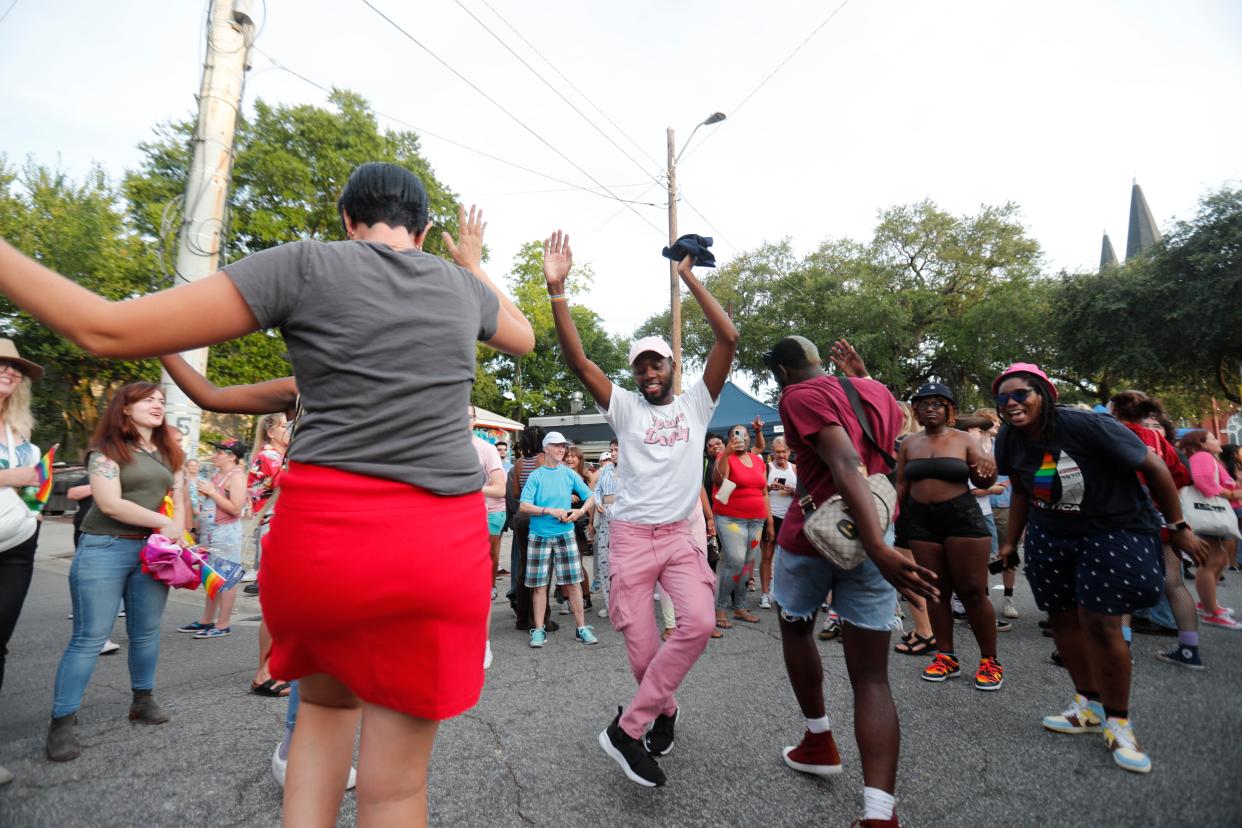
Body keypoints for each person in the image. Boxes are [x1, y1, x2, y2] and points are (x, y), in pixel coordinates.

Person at [0, 162, 534, 825]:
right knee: (394, 790)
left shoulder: (305, 264)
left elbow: (102, 329)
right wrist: (474, 263)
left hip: (321, 542)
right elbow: (525, 333)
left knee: (321, 709)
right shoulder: (460, 287)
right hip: (434, 545)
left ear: (347, 221)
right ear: (424, 231)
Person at [543, 230, 737, 787]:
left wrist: (689, 277)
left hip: (679, 535)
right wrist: (559, 291)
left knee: (697, 624)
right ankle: (664, 712)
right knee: (642, 655)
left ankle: (627, 729)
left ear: (674, 366)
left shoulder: (700, 402)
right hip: (630, 537)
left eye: (658, 365)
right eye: (641, 367)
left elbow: (728, 338)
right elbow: (578, 360)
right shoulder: (625, 408)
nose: (649, 373)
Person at [993, 363, 1204, 774]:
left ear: (1045, 395)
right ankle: (1087, 706)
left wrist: (1177, 526)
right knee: (1063, 621)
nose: (1011, 404)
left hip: (1113, 528)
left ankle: (1119, 722)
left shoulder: (1087, 425)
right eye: (1003, 398)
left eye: (1021, 394)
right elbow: (1020, 487)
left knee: (1101, 622)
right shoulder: (1009, 439)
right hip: (1051, 534)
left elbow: (1156, 468)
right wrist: (1008, 542)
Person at [763, 335, 937, 828]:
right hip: (879, 524)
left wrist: (878, 548)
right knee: (872, 678)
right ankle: (881, 812)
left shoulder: (798, 395)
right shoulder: (875, 390)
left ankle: (818, 739)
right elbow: (890, 436)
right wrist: (881, 539)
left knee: (795, 628)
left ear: (781, 371)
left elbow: (842, 463)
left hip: (816, 537)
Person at [45, 382, 189, 762]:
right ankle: (62, 721)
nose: (158, 405)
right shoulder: (106, 451)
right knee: (90, 637)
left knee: (145, 633)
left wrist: (181, 536)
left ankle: (143, 700)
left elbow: (178, 500)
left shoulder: (170, 452)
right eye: (147, 400)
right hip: (104, 548)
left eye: (161, 400)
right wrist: (164, 522)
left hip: (152, 553)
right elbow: (109, 504)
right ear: (125, 408)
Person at [895, 383, 1002, 690]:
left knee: (971, 590)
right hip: (921, 521)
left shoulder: (965, 440)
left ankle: (989, 660)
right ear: (917, 410)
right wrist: (890, 519)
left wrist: (988, 469)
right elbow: (901, 486)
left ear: (949, 410)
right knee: (935, 591)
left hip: (961, 517)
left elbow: (984, 477)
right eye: (924, 403)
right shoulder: (908, 444)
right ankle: (946, 656)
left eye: (937, 403)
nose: (930, 408)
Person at [1109, 391, 1209, 666]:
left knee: (1121, 586)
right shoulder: (1157, 439)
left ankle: (1123, 650)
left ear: (1115, 411)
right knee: (1174, 584)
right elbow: (1181, 476)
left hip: (1127, 522)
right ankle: (1189, 651)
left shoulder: (1109, 435)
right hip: (1167, 521)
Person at [0, 340, 44, 785]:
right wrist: (7, 477)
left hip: (15, 543)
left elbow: (29, 483)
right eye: (1, 364)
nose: (9, 371)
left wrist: (33, 502)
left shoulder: (19, 429)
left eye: (14, 367)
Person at [518, 431, 597, 647]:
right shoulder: (536, 475)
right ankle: (539, 630)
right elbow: (523, 505)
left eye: (563, 446)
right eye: (556, 446)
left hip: (565, 534)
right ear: (545, 449)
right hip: (539, 536)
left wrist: (579, 512)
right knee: (540, 586)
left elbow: (591, 496)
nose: (562, 449)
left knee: (573, 583)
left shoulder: (568, 473)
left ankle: (581, 628)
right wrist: (548, 511)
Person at [176, 438, 247, 639]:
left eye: (220, 452)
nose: (215, 455)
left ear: (232, 456)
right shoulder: (218, 474)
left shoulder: (237, 476)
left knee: (227, 576)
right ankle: (206, 620)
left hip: (226, 532)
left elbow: (235, 509)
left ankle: (223, 624)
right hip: (210, 531)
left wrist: (211, 493)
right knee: (210, 576)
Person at [1178, 429, 1242, 630]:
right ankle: (1210, 610)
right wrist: (1231, 493)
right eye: (1213, 438)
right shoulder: (1203, 456)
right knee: (1212, 561)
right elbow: (1204, 482)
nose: (1217, 441)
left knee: (1218, 560)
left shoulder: (1206, 457)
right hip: (1210, 513)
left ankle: (1208, 603)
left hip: (1212, 513)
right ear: (1203, 444)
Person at [711, 422, 771, 630]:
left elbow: (763, 492)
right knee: (735, 562)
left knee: (747, 564)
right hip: (730, 519)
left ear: (749, 439)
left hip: (757, 519)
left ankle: (740, 606)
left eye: (744, 435)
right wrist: (726, 453)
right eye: (737, 435)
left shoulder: (757, 460)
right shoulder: (725, 457)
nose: (741, 438)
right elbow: (718, 480)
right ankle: (720, 607)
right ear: (730, 439)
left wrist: (769, 521)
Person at [471, 410, 507, 668]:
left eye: (467, 414)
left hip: (476, 521)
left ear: (474, 419)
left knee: (480, 586)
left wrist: (470, 489)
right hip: (438, 525)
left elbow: (500, 488)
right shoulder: (435, 443)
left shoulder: (484, 448)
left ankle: (483, 645)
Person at [761, 436, 797, 609]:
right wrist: (769, 487)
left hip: (790, 518)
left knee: (788, 559)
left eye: (784, 452)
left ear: (789, 452)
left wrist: (793, 491)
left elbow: (803, 493)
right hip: (771, 516)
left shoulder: (795, 469)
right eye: (778, 452)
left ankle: (784, 593)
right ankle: (765, 594)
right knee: (767, 556)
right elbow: (759, 491)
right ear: (772, 452)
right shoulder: (766, 468)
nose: (781, 455)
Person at [593, 438, 620, 617]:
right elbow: (596, 490)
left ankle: (627, 605)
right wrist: (597, 502)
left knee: (625, 564)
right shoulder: (606, 469)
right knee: (604, 561)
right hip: (605, 519)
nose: (614, 454)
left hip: (626, 520)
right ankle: (610, 603)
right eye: (612, 450)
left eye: (617, 450)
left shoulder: (635, 469)